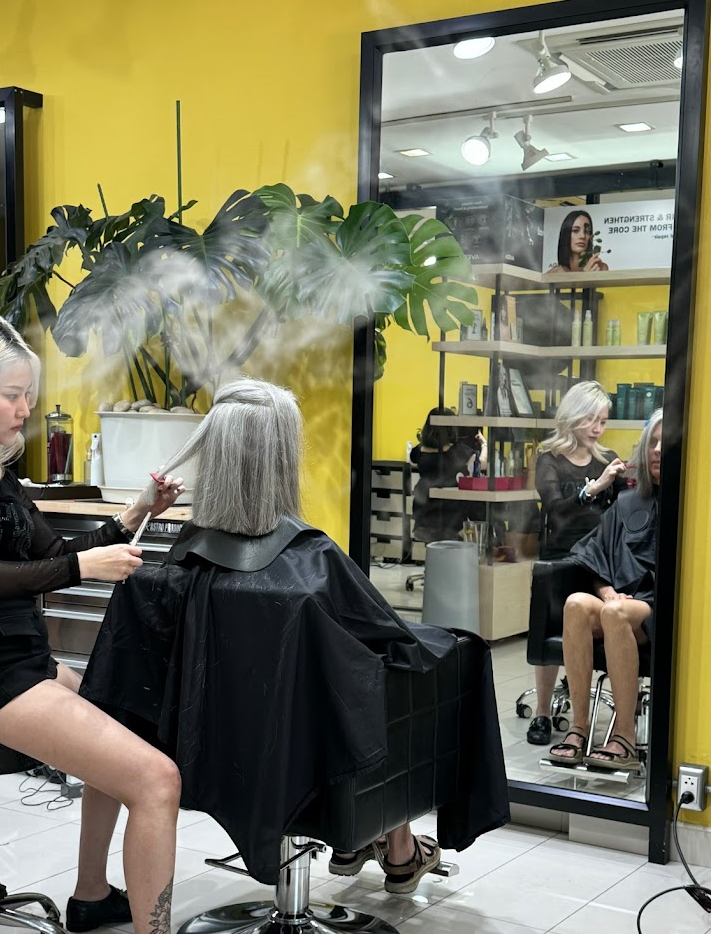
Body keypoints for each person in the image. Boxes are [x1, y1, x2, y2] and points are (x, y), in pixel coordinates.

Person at [80, 379, 510, 895]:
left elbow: (122, 695)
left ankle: (373, 841)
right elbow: (391, 640)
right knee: (427, 665)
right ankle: (390, 844)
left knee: (356, 669)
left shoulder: (173, 569)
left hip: (211, 748)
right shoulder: (313, 562)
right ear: (283, 459)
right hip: (305, 754)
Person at [0, 313, 185, 934]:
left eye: (28, 394)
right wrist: (85, 567)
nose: (25, 409)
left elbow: (52, 551)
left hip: (18, 662)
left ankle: (92, 895)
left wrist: (136, 512)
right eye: (13, 394)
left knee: (124, 726)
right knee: (157, 780)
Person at [547, 409, 661, 771]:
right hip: (621, 603)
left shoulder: (691, 509)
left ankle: (625, 737)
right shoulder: (627, 503)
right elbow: (595, 554)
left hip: (657, 606)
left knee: (614, 613)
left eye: (666, 444)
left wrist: (617, 603)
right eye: (653, 443)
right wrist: (608, 591)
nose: (658, 450)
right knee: (577, 604)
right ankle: (579, 729)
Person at [525, 381, 627, 745]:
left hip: (598, 561)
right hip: (560, 558)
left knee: (596, 628)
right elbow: (555, 509)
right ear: (573, 416)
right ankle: (541, 712)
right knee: (549, 632)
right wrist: (593, 488)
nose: (598, 429)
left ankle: (596, 711)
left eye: (603, 421)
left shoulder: (607, 458)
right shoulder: (549, 459)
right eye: (591, 420)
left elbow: (624, 511)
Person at [410, 408, 487, 545]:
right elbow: (481, 464)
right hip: (449, 515)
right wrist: (484, 444)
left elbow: (413, 461)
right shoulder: (457, 451)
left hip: (424, 512)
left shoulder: (418, 451)